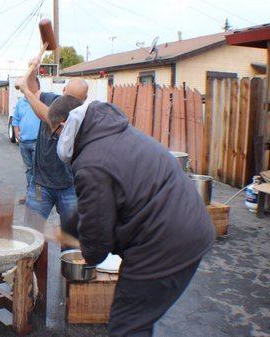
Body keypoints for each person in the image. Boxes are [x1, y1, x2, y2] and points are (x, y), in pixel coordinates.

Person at [42, 81, 216, 336]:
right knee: (135, 322)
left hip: (165, 242)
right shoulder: (110, 131)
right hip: (186, 224)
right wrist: (67, 227)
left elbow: (96, 246)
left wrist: (85, 247)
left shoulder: (91, 162)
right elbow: (101, 203)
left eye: (54, 133)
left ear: (65, 125)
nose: (56, 140)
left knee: (127, 326)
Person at [13, 66, 87, 233]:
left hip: (69, 186)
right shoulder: (52, 99)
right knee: (31, 235)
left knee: (72, 237)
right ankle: (32, 260)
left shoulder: (84, 117)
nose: (70, 103)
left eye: (76, 100)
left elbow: (49, 117)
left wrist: (25, 91)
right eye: (68, 96)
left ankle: (66, 260)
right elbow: (35, 90)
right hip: (41, 185)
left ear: (85, 99)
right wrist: (33, 69)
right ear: (63, 90)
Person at [11, 96, 40, 204]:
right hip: (24, 143)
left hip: (38, 142)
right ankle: (30, 194)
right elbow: (16, 119)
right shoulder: (21, 102)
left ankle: (38, 196)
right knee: (29, 169)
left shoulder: (40, 101)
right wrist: (17, 134)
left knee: (37, 170)